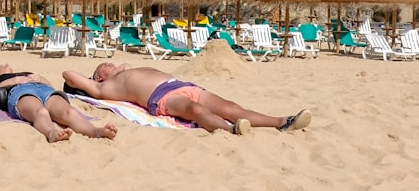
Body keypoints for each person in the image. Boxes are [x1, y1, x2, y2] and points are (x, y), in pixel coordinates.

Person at [61, 62, 311, 135]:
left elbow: (123, 65)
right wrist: (93, 81)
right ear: (98, 79)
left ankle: (282, 121)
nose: (104, 64)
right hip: (162, 97)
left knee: (232, 106)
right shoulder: (105, 88)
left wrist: (119, 68)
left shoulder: (125, 70)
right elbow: (68, 74)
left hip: (182, 85)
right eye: (99, 69)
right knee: (193, 110)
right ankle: (231, 129)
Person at [0, 63, 117, 143]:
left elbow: (51, 86)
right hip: (18, 91)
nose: (6, 64)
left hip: (44, 89)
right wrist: (11, 82)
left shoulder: (24, 72)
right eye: (0, 66)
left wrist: (41, 79)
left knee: (70, 112)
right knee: (41, 112)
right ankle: (51, 133)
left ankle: (96, 131)